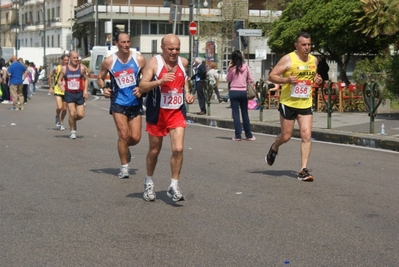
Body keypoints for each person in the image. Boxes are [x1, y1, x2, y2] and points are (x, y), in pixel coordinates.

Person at [139, 33, 195, 202]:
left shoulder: (183, 62)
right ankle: (149, 181)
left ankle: (174, 185)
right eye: (170, 49)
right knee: (154, 150)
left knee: (178, 149)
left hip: (176, 112)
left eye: (177, 49)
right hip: (157, 113)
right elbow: (142, 86)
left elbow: (184, 79)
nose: (174, 52)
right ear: (162, 48)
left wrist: (187, 92)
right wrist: (160, 81)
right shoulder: (154, 63)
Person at [266, 32, 323, 182]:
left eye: (309, 44)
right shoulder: (288, 59)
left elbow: (313, 77)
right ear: (296, 45)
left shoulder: (313, 60)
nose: (307, 48)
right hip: (288, 103)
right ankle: (274, 147)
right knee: (286, 136)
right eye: (303, 45)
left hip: (305, 103)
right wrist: (286, 80)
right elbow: (271, 76)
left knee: (306, 135)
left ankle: (303, 170)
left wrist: (317, 79)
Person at [97, 32, 146, 179]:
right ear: (116, 43)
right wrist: (103, 89)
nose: (126, 45)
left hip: (135, 102)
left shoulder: (139, 59)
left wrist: (142, 88)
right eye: (123, 42)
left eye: (128, 42)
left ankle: (124, 147)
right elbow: (100, 77)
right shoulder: (109, 61)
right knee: (123, 135)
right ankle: (124, 168)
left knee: (135, 138)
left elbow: (148, 77)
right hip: (118, 102)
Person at [57, 51, 89, 139]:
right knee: (72, 113)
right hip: (69, 93)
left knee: (81, 115)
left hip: (79, 93)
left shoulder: (81, 68)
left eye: (77, 57)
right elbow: (59, 80)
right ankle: (72, 131)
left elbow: (86, 79)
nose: (76, 59)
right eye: (74, 58)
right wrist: (61, 85)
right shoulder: (64, 69)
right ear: (70, 59)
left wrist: (85, 90)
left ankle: (73, 120)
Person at [226, 50, 256, 141]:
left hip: (233, 92)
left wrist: (229, 68)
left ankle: (238, 136)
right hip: (243, 92)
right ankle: (249, 135)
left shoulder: (232, 68)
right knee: (245, 114)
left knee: (236, 114)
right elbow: (251, 79)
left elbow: (228, 79)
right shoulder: (246, 67)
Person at [49, 54, 70, 131]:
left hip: (67, 90)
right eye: (65, 60)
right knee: (59, 107)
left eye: (68, 60)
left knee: (64, 109)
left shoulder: (70, 69)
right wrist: (51, 87)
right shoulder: (57, 68)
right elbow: (50, 75)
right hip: (58, 89)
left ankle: (61, 122)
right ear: (62, 60)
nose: (67, 62)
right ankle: (57, 115)